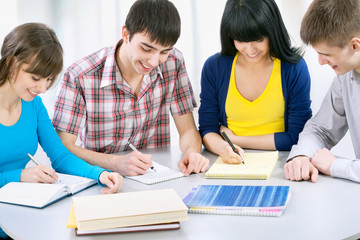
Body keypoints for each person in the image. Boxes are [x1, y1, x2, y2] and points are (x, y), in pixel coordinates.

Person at [52, 0, 209, 177]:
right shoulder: (79, 76)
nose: (154, 61)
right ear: (126, 34)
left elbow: (187, 129)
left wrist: (192, 152)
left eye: (164, 51)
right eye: (146, 48)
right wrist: (114, 163)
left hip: (156, 178)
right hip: (101, 179)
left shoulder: (174, 62)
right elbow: (62, 148)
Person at [0, 23, 123, 239]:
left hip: (16, 215)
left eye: (49, 79)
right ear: (11, 62)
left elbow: (61, 155)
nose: (42, 89)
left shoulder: (33, 104)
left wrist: (100, 174)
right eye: (35, 78)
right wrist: (19, 175)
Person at [198, 0, 312, 164]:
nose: (250, 50)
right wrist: (225, 148)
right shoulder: (214, 67)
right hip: (230, 162)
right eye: (241, 40)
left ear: (273, 31)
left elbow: (297, 137)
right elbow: (207, 130)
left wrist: (236, 140)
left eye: (258, 39)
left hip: (283, 163)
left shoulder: (293, 68)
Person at [284, 0, 360, 183]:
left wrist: (334, 165)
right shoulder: (345, 78)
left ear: (355, 45)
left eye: (326, 54)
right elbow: (321, 129)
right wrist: (301, 156)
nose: (320, 62)